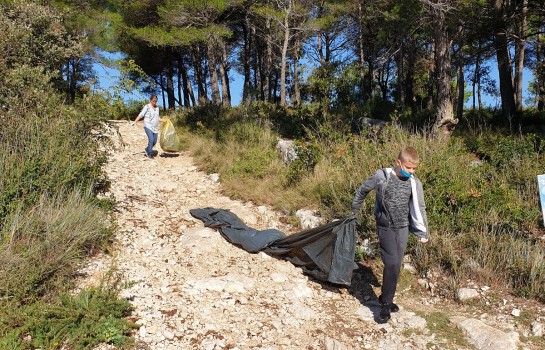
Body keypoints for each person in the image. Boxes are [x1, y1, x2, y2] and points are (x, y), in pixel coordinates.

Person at [351, 146, 429, 324]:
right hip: (385, 226)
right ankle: (385, 305)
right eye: (408, 168)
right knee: (392, 262)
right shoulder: (382, 177)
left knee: (396, 264)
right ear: (398, 163)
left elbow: (420, 207)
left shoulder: (414, 183)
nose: (411, 171)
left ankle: (387, 297)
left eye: (414, 169)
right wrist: (355, 209)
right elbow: (363, 189)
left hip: (403, 228)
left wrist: (423, 231)